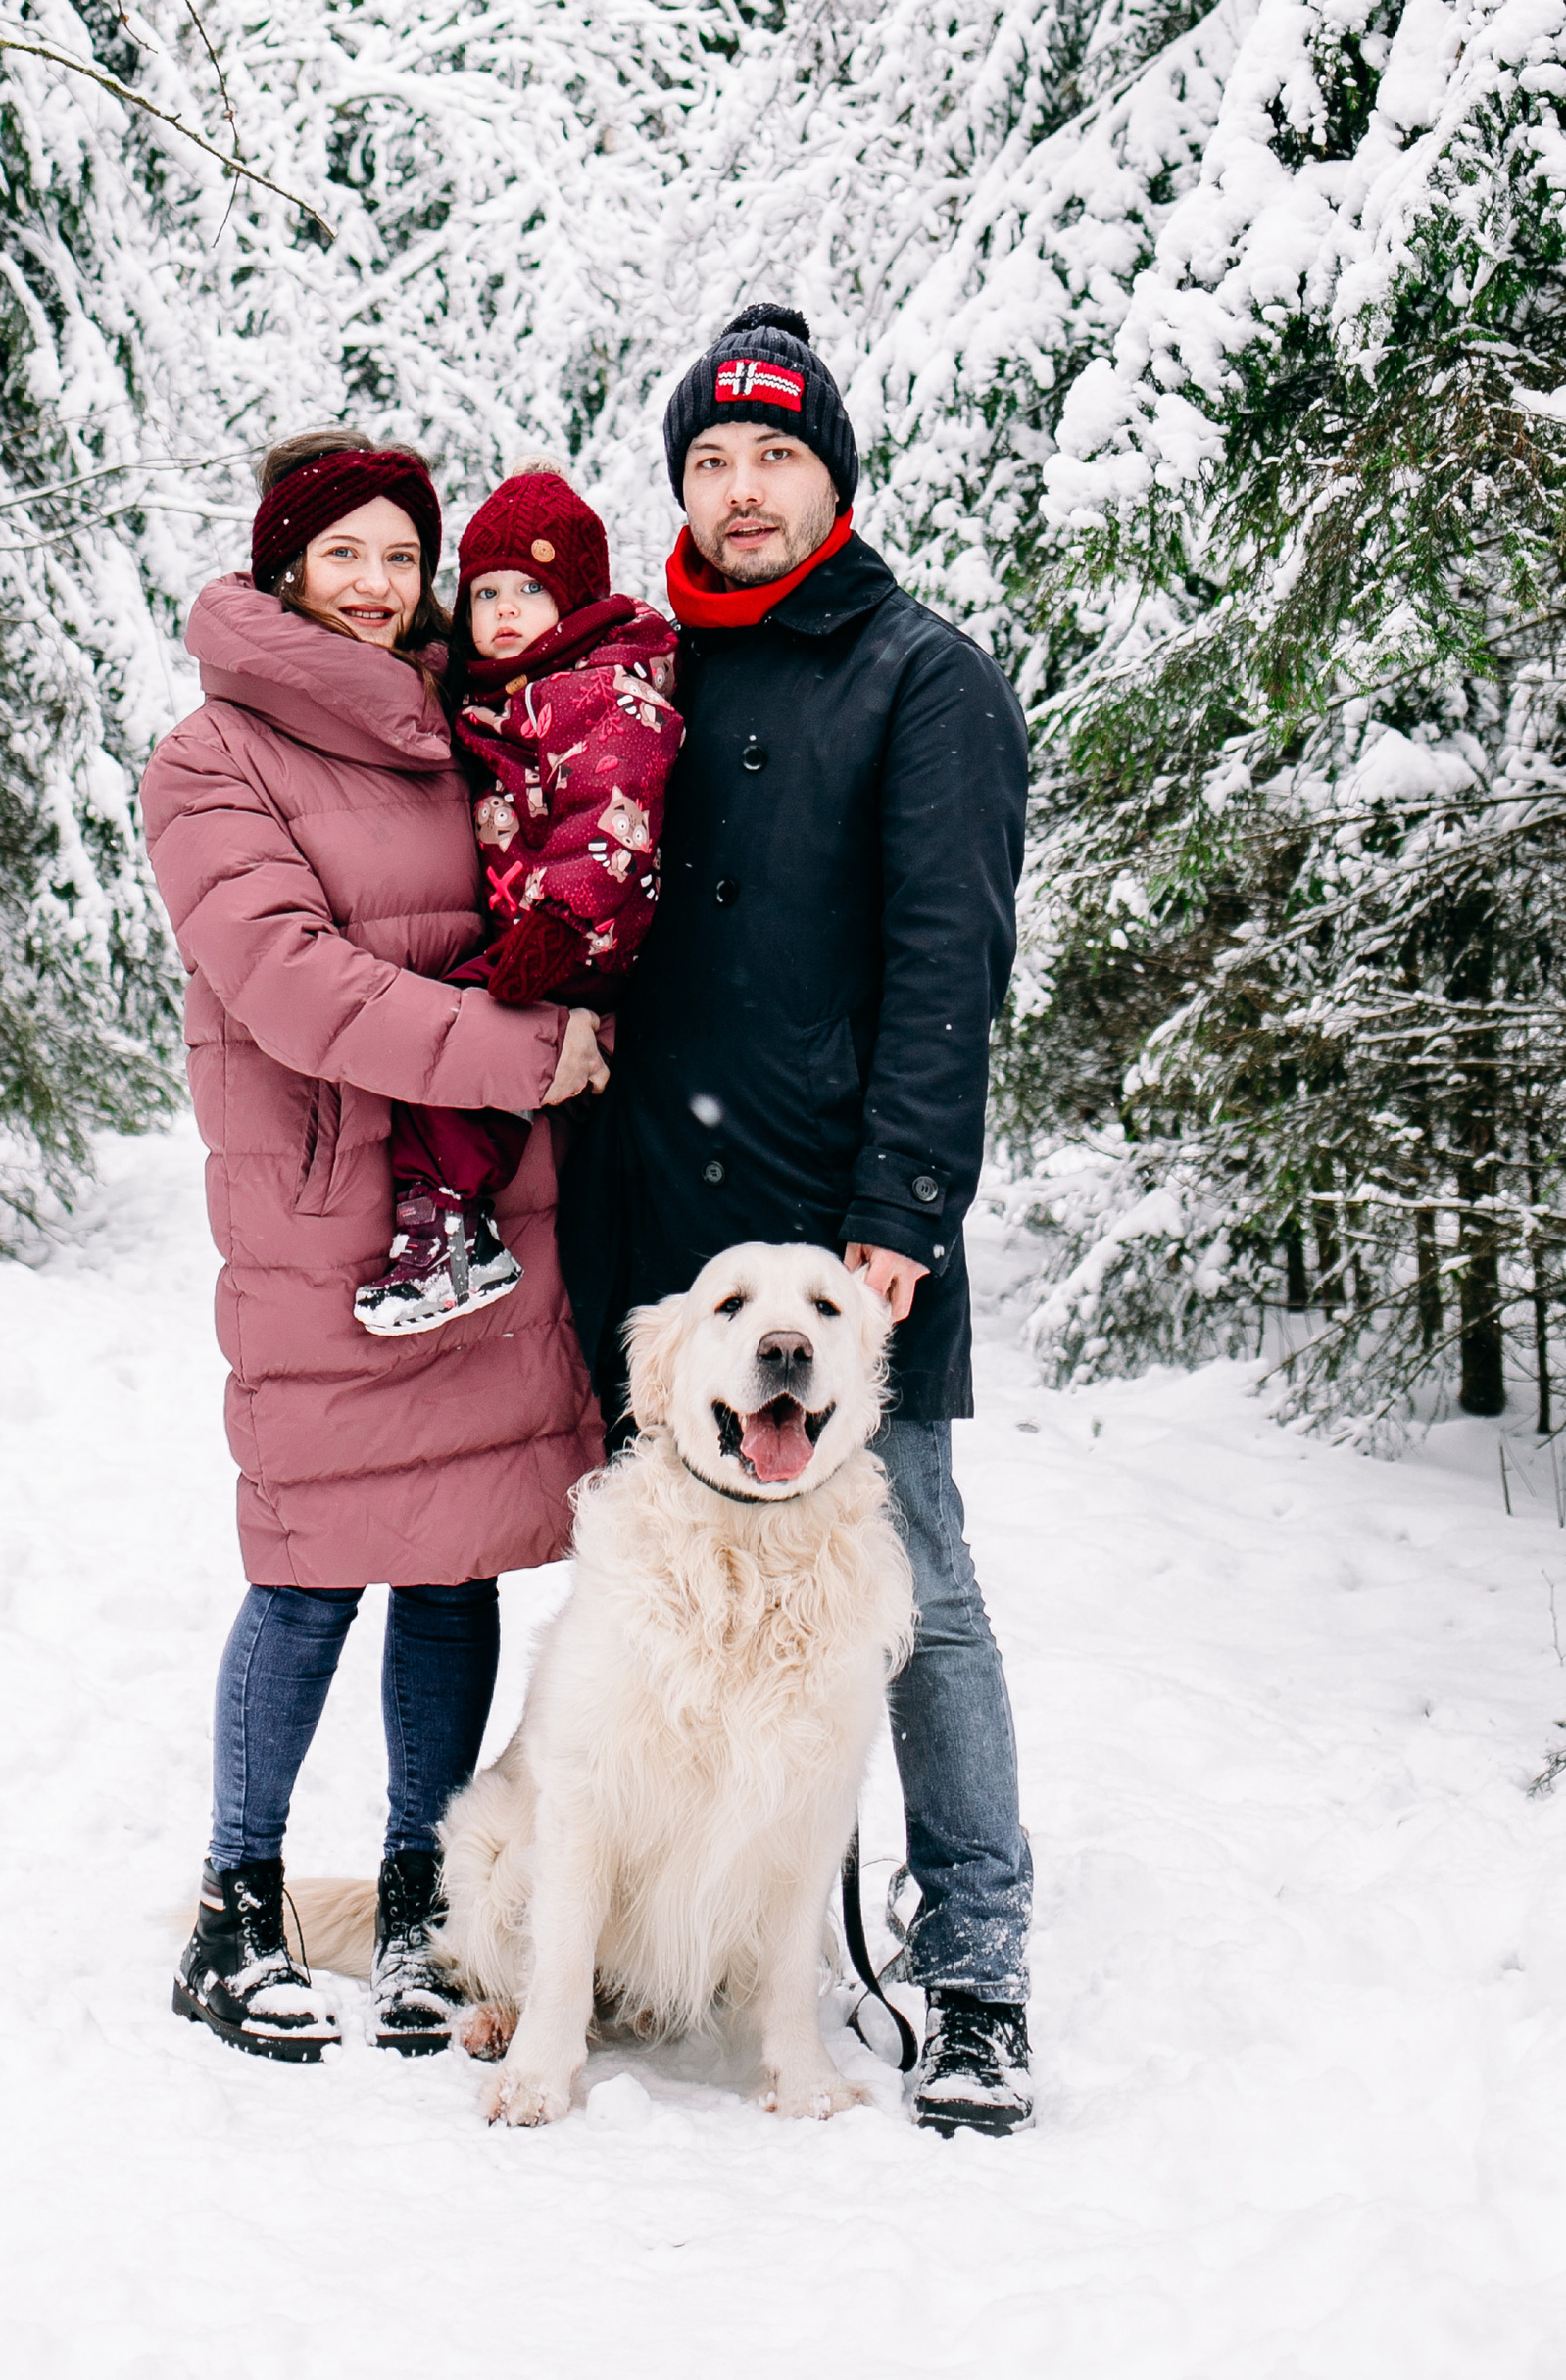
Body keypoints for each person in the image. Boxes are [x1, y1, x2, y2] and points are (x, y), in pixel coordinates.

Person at [560, 304, 1038, 2138]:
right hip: (670, 1248)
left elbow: (947, 966)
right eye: (707, 462)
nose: (739, 491)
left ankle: (977, 1956)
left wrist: (901, 1209)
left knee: (913, 1586)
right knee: (664, 1606)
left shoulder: (925, 677)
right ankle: (702, 1928)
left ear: (832, 475)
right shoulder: (646, 669)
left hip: (848, 1250)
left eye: (772, 457)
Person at [141, 427, 610, 2065]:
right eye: (342, 553)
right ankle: (234, 1908)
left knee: (451, 1555)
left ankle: (420, 1899)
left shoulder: (457, 731)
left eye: (401, 555)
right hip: (332, 1218)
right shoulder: (210, 759)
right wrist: (519, 1058)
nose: (377, 583)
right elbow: (289, 983)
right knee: (311, 1564)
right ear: (284, 569)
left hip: (479, 1211)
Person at [357, 470, 682, 1338]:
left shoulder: (604, 696)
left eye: (529, 590)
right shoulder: (502, 698)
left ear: (574, 597)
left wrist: (563, 924)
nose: (503, 609)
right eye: (486, 591)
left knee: (459, 1046)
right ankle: (452, 1223)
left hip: (582, 937)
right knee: (467, 1062)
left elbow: (616, 820)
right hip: (538, 934)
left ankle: (450, 1228)